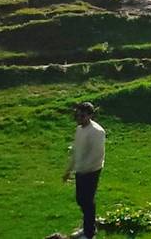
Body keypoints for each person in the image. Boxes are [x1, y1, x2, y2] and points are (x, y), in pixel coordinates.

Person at [62, 102, 105, 239]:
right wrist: (69, 170)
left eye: (82, 115)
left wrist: (84, 170)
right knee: (81, 200)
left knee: (87, 201)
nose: (78, 118)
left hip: (91, 171)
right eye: (77, 115)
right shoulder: (80, 129)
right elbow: (76, 151)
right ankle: (88, 227)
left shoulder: (97, 132)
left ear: (90, 115)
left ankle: (89, 233)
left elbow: (97, 156)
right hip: (81, 171)